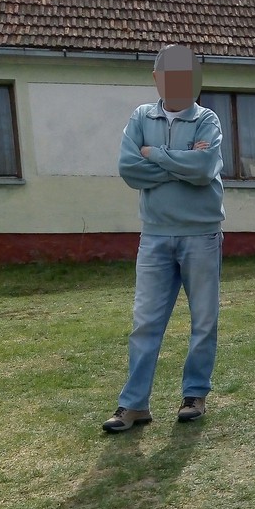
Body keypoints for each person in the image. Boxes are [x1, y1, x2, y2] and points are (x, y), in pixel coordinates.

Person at [103, 44, 224, 433]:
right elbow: (128, 168)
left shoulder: (207, 119)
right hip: (154, 236)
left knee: (203, 321)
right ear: (156, 78)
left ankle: (194, 395)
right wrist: (181, 160)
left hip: (201, 235)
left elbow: (204, 169)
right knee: (145, 323)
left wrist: (154, 154)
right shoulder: (141, 117)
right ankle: (134, 404)